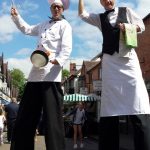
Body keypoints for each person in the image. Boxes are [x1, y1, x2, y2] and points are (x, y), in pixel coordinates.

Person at [78, 0, 150, 150]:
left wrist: (127, 27)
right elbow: (82, 14)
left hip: (128, 61)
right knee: (110, 106)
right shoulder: (99, 18)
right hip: (110, 64)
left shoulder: (127, 11)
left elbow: (141, 26)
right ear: (101, 2)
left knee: (138, 101)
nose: (108, 1)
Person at [10, 0, 72, 149]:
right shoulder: (43, 24)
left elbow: (66, 49)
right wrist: (17, 16)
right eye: (54, 6)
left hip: (51, 75)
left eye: (59, 7)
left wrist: (55, 60)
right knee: (26, 116)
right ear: (51, 8)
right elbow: (27, 29)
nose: (56, 8)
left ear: (62, 9)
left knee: (52, 120)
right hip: (35, 74)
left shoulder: (65, 26)